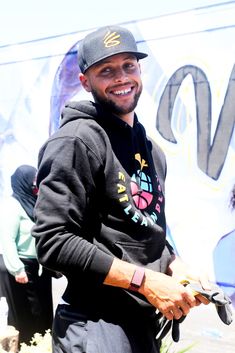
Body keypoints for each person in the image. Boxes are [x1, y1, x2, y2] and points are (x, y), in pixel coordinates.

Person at [32, 25, 210, 353]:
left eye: (129, 65)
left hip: (143, 326)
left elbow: (143, 230)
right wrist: (145, 281)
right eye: (107, 70)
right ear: (86, 82)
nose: (121, 77)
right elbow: (53, 242)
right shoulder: (76, 141)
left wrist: (175, 265)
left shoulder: (152, 152)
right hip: (95, 326)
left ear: (140, 70)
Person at [0, 165, 53, 343]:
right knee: (25, 314)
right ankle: (26, 346)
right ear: (23, 182)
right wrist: (17, 269)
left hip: (39, 267)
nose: (36, 185)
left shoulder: (35, 203)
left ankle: (42, 344)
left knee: (42, 312)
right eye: (33, 181)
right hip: (20, 268)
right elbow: (7, 240)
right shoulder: (12, 205)